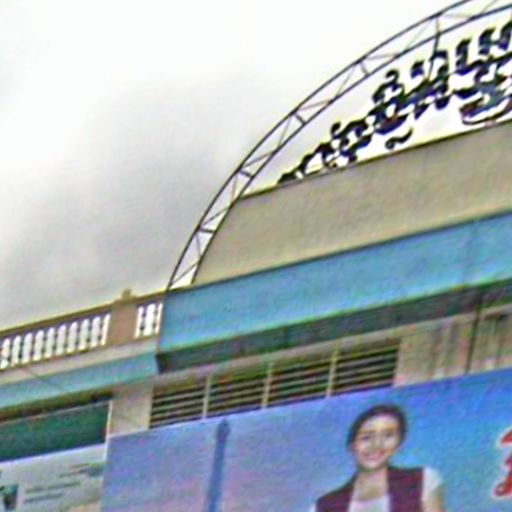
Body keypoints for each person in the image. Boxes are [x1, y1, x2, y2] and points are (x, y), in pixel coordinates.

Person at [315, 404, 445, 512]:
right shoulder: (325, 505)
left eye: (388, 435)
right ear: (352, 446)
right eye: (366, 437)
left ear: (399, 443)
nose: (377, 445)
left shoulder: (422, 481)